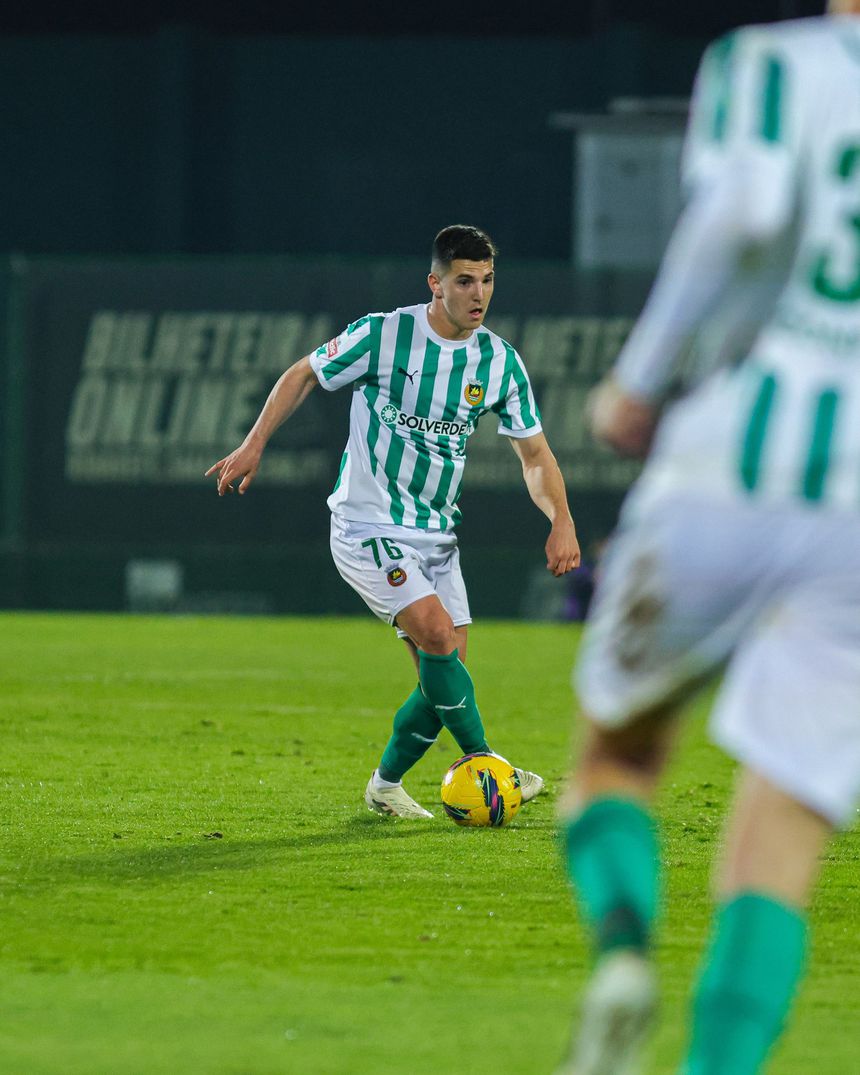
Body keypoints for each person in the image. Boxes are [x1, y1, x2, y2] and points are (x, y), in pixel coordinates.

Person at [558, 4, 860, 1073]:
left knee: (617, 753)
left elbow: (738, 212)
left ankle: (622, 954)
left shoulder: (768, 65)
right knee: (782, 824)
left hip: (730, 453)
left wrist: (636, 382)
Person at [206, 224, 581, 819]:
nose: (478, 293)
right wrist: (255, 444)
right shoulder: (384, 335)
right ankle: (490, 768)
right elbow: (303, 372)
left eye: (486, 280)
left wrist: (560, 518)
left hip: (437, 534)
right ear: (435, 284)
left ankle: (385, 786)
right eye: (464, 281)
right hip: (366, 526)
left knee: (444, 679)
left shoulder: (499, 361)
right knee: (435, 637)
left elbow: (535, 454)